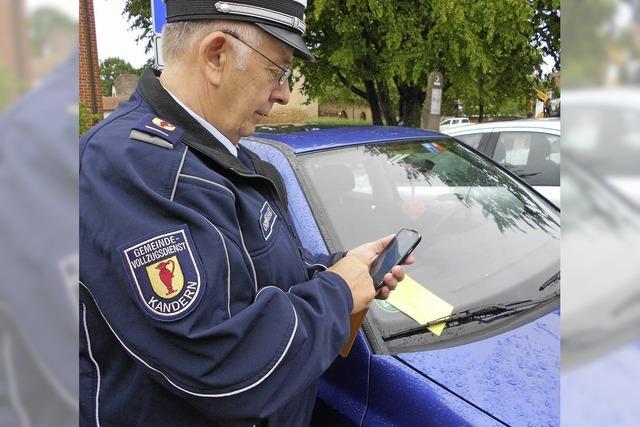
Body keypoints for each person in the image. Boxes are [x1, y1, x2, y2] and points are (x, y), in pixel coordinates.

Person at [80, 1, 413, 425]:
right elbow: (222, 368)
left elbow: (258, 277)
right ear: (217, 56)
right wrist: (336, 293)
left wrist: (344, 270)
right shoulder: (130, 169)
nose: (284, 94)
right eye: (278, 71)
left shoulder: (221, 153)